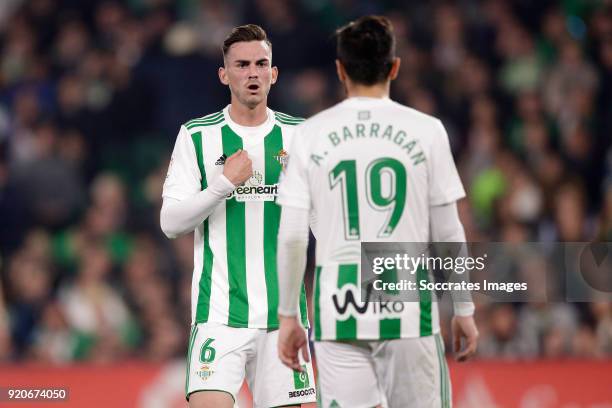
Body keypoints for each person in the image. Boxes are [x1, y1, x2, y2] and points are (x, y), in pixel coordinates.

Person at [275, 16, 479, 408]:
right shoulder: (427, 130)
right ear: (395, 67)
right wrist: (464, 307)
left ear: (340, 70)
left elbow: (293, 236)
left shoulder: (309, 135)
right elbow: (448, 230)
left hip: (338, 300)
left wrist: (289, 316)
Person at [160, 24, 315, 408]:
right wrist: (222, 184)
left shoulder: (301, 136)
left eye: (261, 64)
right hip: (218, 316)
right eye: (242, 64)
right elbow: (170, 223)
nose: (252, 73)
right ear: (224, 74)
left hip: (285, 318)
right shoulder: (196, 136)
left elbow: (323, 226)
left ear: (273, 74)